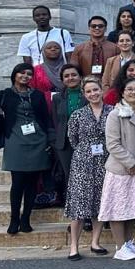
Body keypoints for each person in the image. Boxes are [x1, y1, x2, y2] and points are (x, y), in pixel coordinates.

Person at [0, 64, 53, 235]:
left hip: (38, 141)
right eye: (21, 73)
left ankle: (26, 219)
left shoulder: (38, 95)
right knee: (17, 183)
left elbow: (46, 119)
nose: (25, 76)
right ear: (14, 74)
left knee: (32, 183)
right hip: (15, 142)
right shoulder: (4, 94)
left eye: (29, 74)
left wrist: (49, 139)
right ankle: (14, 219)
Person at [99, 76, 135, 260]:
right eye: (129, 89)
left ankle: (129, 243)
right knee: (118, 209)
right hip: (120, 169)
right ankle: (120, 247)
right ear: (122, 92)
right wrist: (131, 162)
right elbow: (113, 144)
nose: (134, 92)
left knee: (132, 207)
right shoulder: (115, 114)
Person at [64, 77, 111, 259]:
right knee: (79, 204)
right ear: (84, 94)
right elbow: (72, 138)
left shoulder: (113, 112)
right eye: (89, 91)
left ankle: (95, 242)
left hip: (105, 161)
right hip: (82, 163)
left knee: (99, 202)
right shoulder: (77, 114)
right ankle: (74, 246)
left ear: (102, 90)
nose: (93, 94)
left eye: (95, 90)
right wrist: (85, 151)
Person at [49, 63, 83, 198]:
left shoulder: (88, 95)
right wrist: (54, 140)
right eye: (66, 76)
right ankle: (72, 203)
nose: (70, 78)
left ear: (80, 77)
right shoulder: (57, 98)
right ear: (62, 80)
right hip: (64, 142)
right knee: (69, 173)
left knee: (85, 173)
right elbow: (54, 120)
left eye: (74, 75)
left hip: (84, 141)